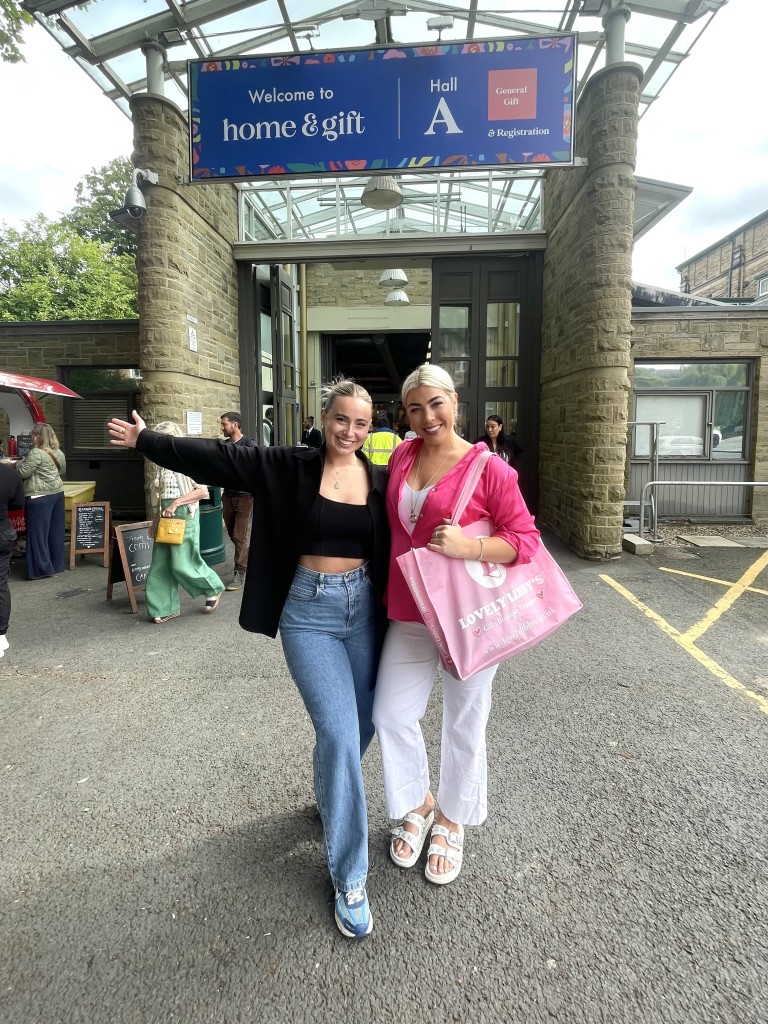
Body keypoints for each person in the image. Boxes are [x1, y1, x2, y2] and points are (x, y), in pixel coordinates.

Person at [108, 377, 390, 939]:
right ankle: (351, 877)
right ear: (324, 417)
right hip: (308, 612)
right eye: (341, 419)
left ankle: (331, 800)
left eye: (361, 423)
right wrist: (149, 441)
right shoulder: (289, 466)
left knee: (362, 728)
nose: (350, 432)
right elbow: (221, 458)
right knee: (336, 734)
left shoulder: (378, 477)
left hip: (364, 612)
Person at [372, 364, 540, 886]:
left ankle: (452, 818)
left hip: (467, 616)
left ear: (454, 403)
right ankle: (421, 801)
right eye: (416, 407)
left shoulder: (490, 469)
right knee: (391, 714)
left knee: (465, 719)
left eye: (436, 404)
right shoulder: (402, 454)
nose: (427, 417)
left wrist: (470, 546)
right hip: (410, 608)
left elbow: (526, 541)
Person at [145, 421, 225, 623]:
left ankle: (213, 587)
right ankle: (163, 608)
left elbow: (202, 491)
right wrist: (155, 520)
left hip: (183, 515)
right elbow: (159, 495)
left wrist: (175, 504)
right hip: (165, 517)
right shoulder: (160, 464)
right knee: (160, 565)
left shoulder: (188, 461)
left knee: (183, 562)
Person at [15, 423, 66, 580]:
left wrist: (17, 463)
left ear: (37, 436)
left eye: (32, 433)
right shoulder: (59, 453)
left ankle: (41, 570)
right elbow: (62, 471)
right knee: (55, 533)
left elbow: (23, 473)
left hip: (39, 497)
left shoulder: (36, 453)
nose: (30, 436)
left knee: (38, 535)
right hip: (57, 494)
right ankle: (56, 565)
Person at [220, 411, 257, 592]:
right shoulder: (224, 445)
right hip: (227, 495)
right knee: (233, 534)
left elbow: (255, 465)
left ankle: (239, 571)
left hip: (244, 496)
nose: (222, 428)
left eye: (224, 424)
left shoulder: (249, 444)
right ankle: (249, 558)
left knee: (239, 534)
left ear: (234, 425)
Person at [0, 460, 24, 656]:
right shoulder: (10, 474)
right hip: (3, 532)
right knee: (0, 584)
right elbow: (18, 503)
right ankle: (1, 636)